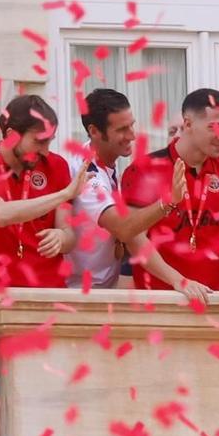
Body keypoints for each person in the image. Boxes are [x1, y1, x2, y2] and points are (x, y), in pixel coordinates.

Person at [0, 94, 83, 436]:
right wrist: (62, 194)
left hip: (46, 300)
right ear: (11, 135)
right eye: (38, 140)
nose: (46, 149)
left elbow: (70, 233)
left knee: (48, 402)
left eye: (50, 140)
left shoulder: (55, 166)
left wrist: (63, 238)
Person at [122, 89, 219, 306]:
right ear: (188, 124)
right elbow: (134, 239)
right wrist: (179, 281)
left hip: (214, 301)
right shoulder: (145, 169)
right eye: (215, 127)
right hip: (160, 302)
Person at [68, 88, 137, 291]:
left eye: (132, 125)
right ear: (94, 131)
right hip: (81, 295)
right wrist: (165, 203)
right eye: (122, 129)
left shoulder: (108, 164)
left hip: (103, 290)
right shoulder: (83, 171)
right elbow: (122, 228)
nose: (132, 135)